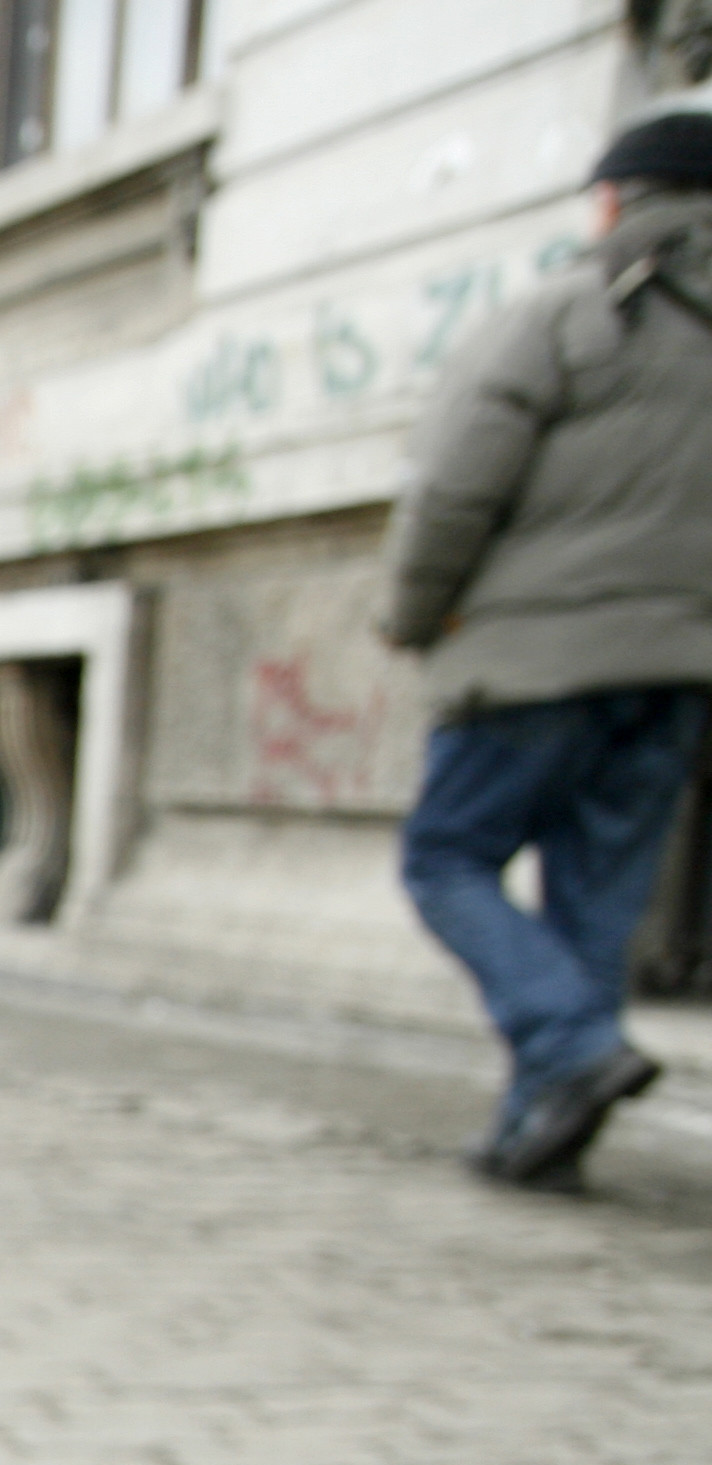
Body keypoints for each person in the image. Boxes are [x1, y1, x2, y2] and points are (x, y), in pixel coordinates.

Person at [382, 105, 712, 1191]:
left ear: (618, 201)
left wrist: (411, 613)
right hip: (680, 667)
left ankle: (570, 1050)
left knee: (446, 854)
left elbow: (454, 484)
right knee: (598, 899)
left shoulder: (571, 313)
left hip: (532, 658)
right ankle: (539, 1127)